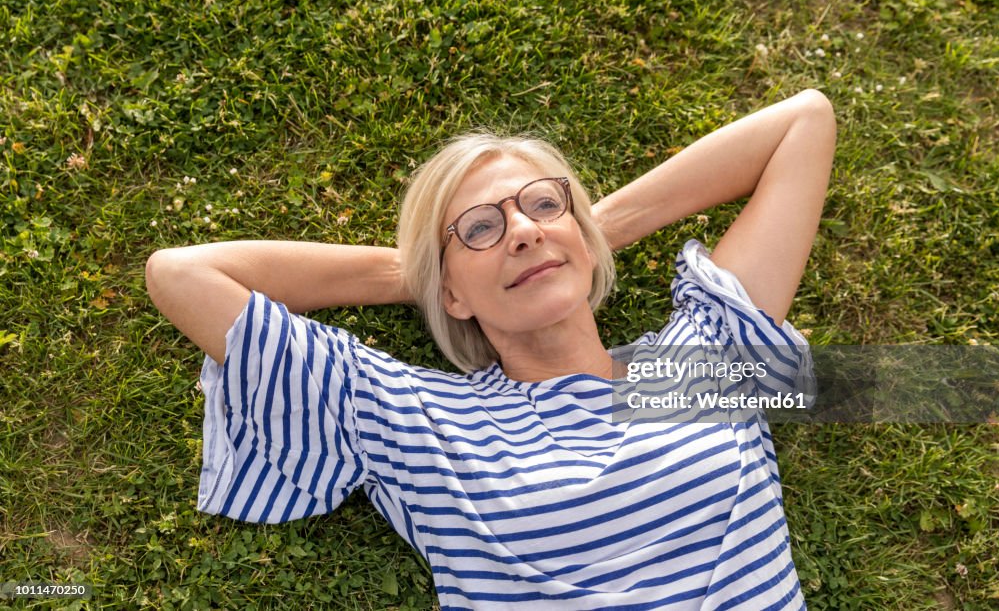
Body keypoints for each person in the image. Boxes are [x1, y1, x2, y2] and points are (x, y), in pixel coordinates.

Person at [146, 88, 836, 609]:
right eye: (478, 228)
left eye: (541, 205)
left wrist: (585, 235)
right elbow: (182, 275)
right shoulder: (423, 422)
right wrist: (418, 272)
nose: (523, 232)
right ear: (451, 297)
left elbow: (804, 122)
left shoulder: (700, 361)